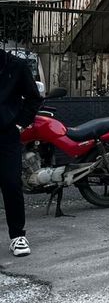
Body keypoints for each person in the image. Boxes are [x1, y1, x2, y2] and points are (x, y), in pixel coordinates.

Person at [0, 49, 41, 257]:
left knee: (11, 183)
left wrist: (19, 125)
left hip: (6, 135)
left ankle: (17, 236)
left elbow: (34, 98)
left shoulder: (16, 66)